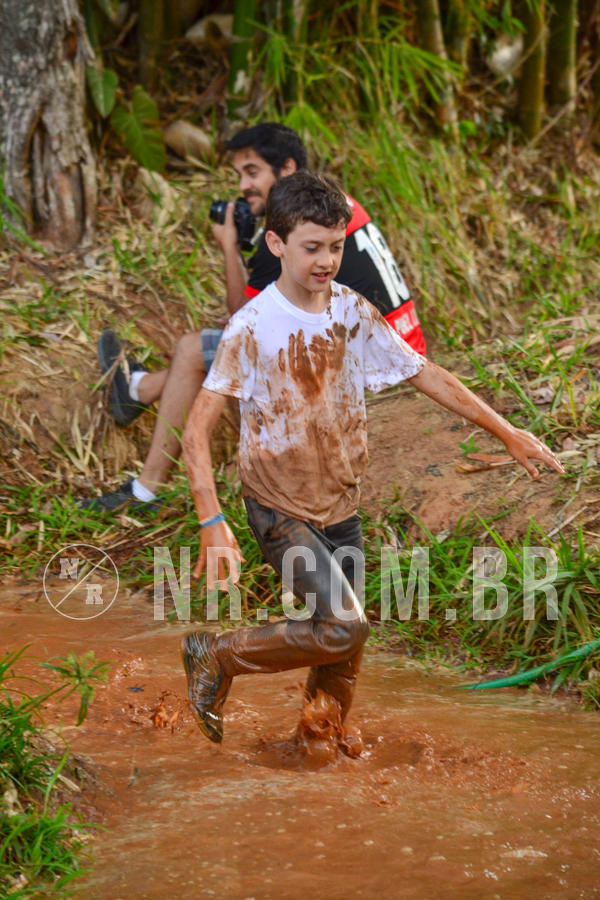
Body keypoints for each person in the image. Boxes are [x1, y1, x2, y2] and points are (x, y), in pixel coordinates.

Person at [180, 170, 564, 745]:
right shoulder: (251, 327)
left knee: (343, 659)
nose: (326, 260)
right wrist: (212, 521)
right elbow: (195, 432)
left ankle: (312, 758)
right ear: (278, 244)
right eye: (312, 247)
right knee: (343, 626)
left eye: (336, 246)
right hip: (279, 506)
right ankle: (215, 652)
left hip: (341, 503)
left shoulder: (352, 311)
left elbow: (424, 372)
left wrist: (506, 431)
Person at [78, 122, 425, 511]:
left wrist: (229, 248)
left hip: (370, 379)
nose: (243, 186)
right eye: (240, 174)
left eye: (253, 172)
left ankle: (144, 490)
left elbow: (243, 325)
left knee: (194, 349)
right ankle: (139, 388)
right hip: (400, 349)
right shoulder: (333, 206)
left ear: (287, 169)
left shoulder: (293, 231)